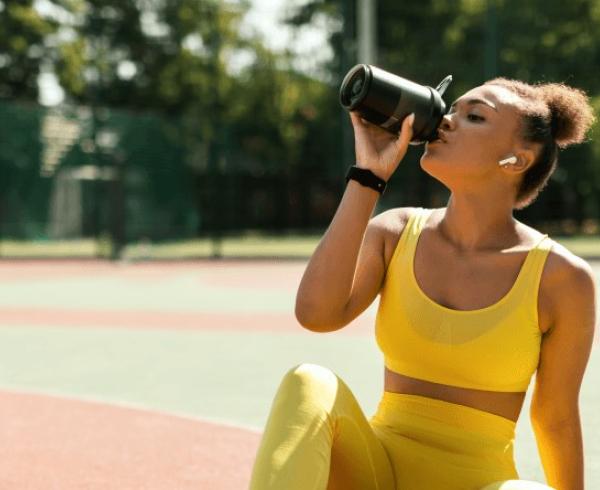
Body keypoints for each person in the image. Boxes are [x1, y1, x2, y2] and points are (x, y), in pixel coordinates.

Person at [248, 77, 597, 490]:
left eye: (475, 116)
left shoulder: (561, 277)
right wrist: (367, 176)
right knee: (309, 381)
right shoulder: (395, 233)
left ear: (515, 161)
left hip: (481, 482)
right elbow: (316, 315)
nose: (446, 121)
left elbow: (554, 417)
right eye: (453, 109)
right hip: (375, 475)